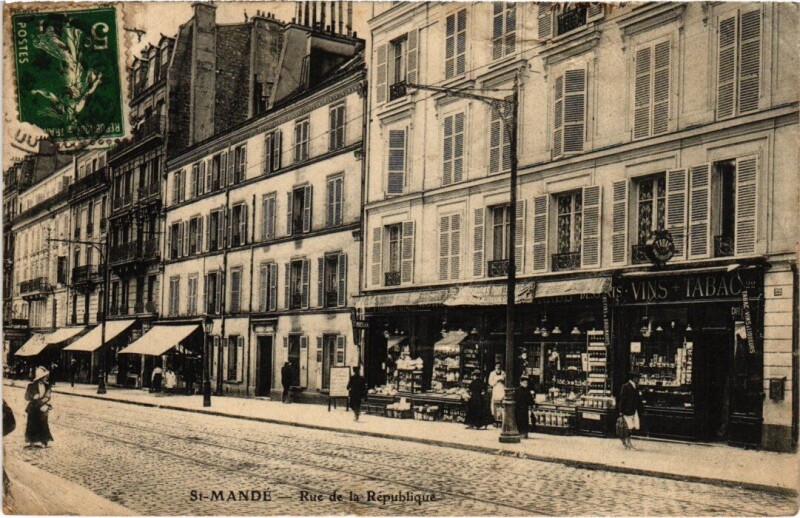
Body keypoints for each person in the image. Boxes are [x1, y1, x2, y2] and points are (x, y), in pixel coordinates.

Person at [24, 367, 53, 448]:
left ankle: (44, 441)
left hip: (42, 407)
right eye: (45, 377)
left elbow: (48, 396)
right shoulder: (31, 386)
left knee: (43, 423)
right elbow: (26, 397)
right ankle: (31, 441)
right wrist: (33, 396)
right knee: (32, 424)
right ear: (40, 378)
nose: (46, 378)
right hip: (33, 407)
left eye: (46, 377)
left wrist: (46, 400)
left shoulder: (47, 386)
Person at [618, 372, 644, 449]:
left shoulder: (636, 387)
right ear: (634, 378)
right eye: (637, 378)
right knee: (628, 427)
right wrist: (621, 411)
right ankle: (628, 443)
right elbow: (622, 399)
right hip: (627, 410)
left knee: (633, 426)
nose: (638, 380)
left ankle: (627, 442)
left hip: (634, 410)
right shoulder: (625, 386)